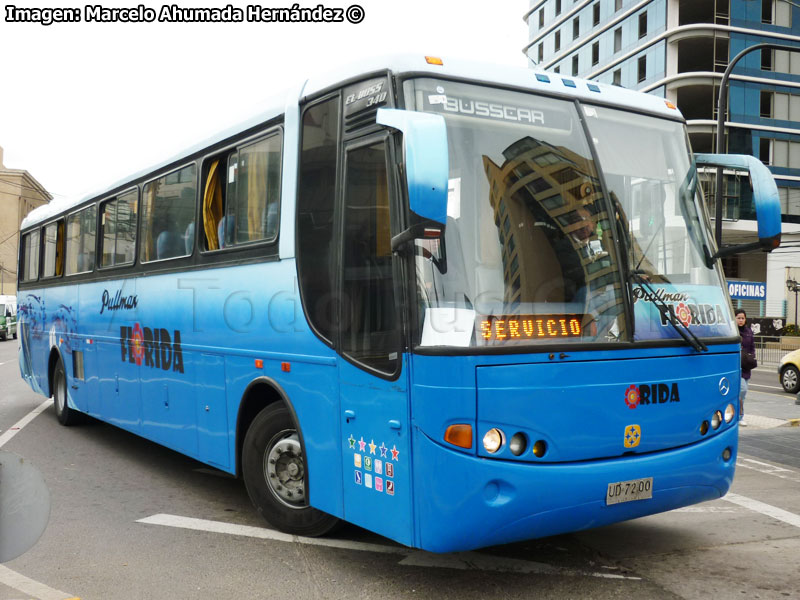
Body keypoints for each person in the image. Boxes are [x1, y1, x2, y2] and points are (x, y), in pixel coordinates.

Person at [737, 309, 755, 425]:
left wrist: (752, 357)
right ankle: (738, 416)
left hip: (746, 365)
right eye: (738, 318)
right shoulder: (732, 331)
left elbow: (752, 346)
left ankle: (740, 416)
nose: (741, 320)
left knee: (742, 394)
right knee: (743, 389)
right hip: (736, 366)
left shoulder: (749, 332)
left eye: (743, 318)